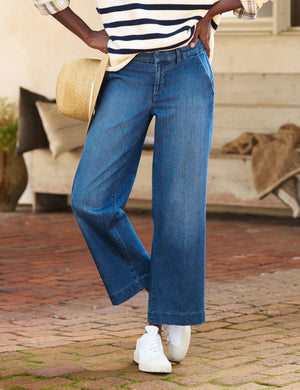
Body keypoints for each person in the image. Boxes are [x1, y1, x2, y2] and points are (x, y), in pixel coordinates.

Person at [34, 0, 269, 374]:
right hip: (125, 70)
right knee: (90, 199)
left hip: (187, 67)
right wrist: (87, 34)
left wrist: (209, 13)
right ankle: (172, 297)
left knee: (180, 209)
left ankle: (154, 331)